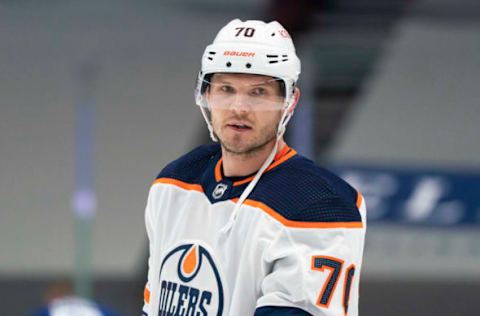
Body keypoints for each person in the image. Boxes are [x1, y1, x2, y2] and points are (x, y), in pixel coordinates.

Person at [142, 19, 366, 316]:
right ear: (207, 94)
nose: (239, 108)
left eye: (258, 92)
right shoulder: (175, 183)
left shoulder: (319, 205)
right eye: (226, 88)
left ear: (290, 101)